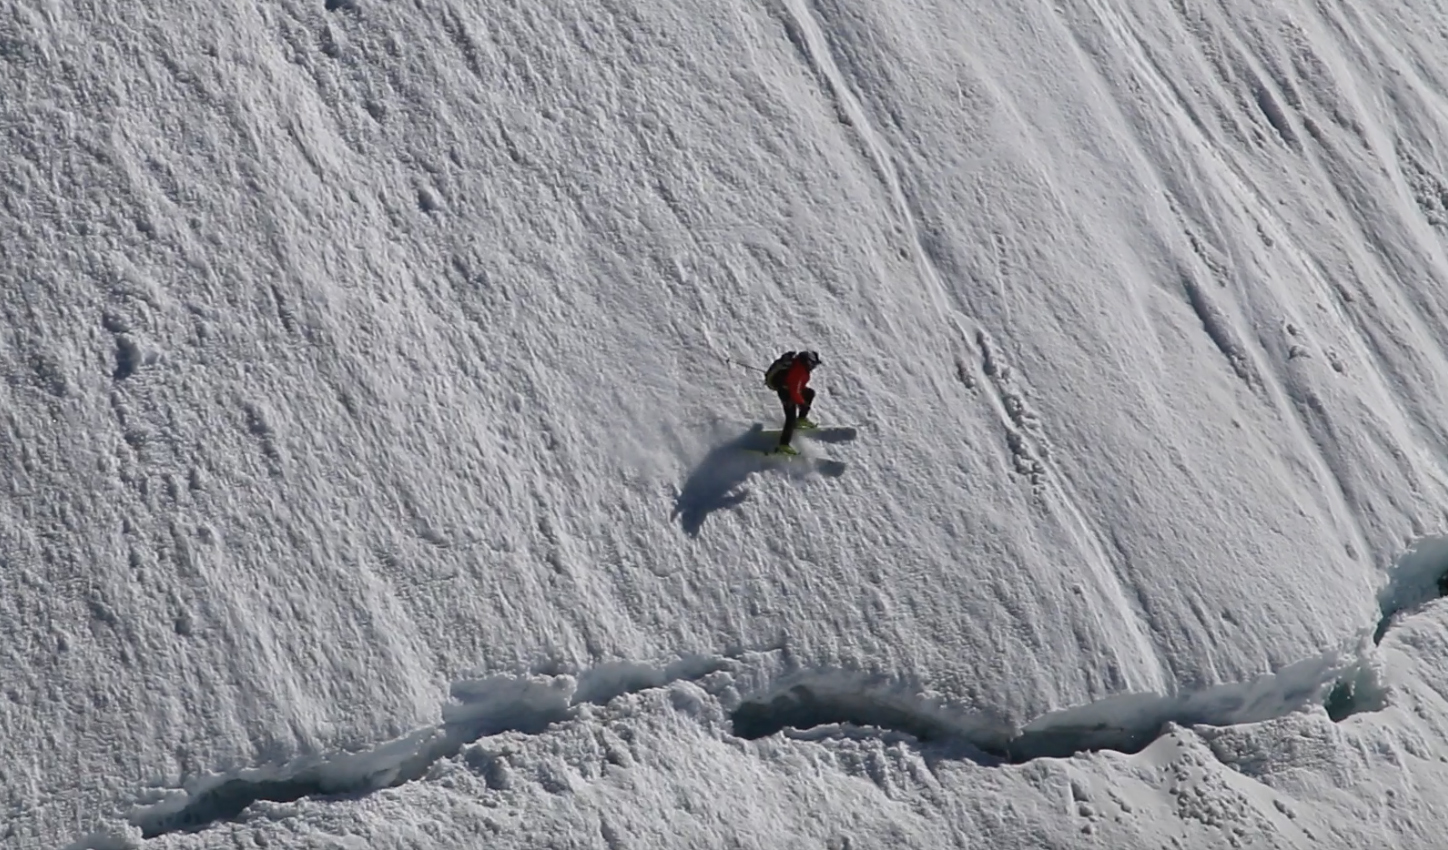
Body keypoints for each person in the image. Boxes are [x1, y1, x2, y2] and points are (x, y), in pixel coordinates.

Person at [763, 350, 821, 454]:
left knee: (809, 393)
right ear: (809, 362)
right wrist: (802, 404)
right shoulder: (799, 369)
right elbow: (794, 390)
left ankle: (801, 419)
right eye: (814, 364)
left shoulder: (801, 367)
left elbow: (798, 386)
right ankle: (783, 445)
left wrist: (802, 402)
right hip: (785, 392)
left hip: (789, 389)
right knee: (791, 418)